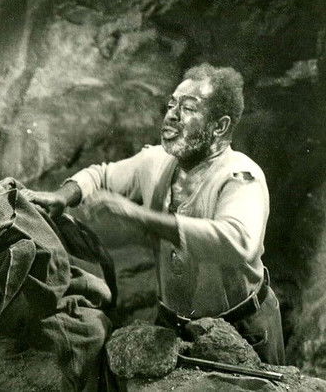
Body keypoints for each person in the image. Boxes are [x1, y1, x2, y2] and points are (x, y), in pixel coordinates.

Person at [24, 64, 284, 364]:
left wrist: (137, 214)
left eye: (188, 108)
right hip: (174, 325)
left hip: (242, 330)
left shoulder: (241, 176)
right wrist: (62, 197)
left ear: (219, 127)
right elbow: (101, 175)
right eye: (171, 105)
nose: (172, 115)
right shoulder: (157, 161)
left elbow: (237, 242)